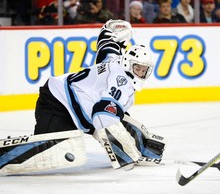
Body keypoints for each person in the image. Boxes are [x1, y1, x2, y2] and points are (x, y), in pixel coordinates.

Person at [33, 19, 165, 170]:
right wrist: (123, 151)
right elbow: (102, 114)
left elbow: (106, 45)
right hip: (57, 103)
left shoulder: (116, 59)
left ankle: (138, 144)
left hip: (76, 104)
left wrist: (114, 29)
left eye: (144, 70)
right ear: (128, 63)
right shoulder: (121, 82)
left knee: (117, 113)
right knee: (49, 150)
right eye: (137, 68)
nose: (140, 73)